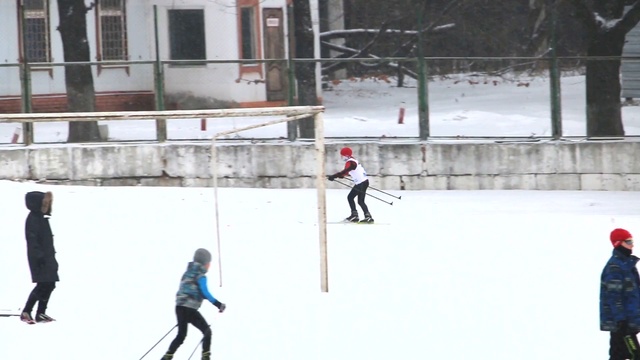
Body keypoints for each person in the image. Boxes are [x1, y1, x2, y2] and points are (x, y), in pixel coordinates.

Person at [161, 248, 226, 360]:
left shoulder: (187, 273)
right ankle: (205, 357)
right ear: (205, 264)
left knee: (181, 335)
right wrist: (218, 304)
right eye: (209, 263)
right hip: (190, 309)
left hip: (179, 307)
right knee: (207, 332)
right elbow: (205, 292)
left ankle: (167, 356)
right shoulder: (200, 276)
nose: (209, 266)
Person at [600, 228, 640, 360]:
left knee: (620, 355)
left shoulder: (627, 265)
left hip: (628, 322)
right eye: (628, 241)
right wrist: (621, 321)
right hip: (622, 325)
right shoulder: (615, 267)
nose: (632, 245)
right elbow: (614, 297)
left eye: (632, 241)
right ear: (618, 243)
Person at [20, 191, 58, 324]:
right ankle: (26, 311)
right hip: (40, 260)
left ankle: (41, 313)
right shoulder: (33, 219)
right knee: (43, 285)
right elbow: (32, 241)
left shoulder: (41, 218)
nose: (48, 206)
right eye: (45, 203)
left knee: (50, 284)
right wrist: (40, 257)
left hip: (47, 258)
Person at [327, 147, 374, 223]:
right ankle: (360, 216)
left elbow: (346, 170)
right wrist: (341, 175)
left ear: (346, 155)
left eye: (342, 155)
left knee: (356, 199)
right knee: (355, 199)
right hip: (363, 182)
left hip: (361, 183)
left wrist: (334, 176)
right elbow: (348, 171)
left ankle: (362, 216)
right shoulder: (353, 160)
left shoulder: (350, 162)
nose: (342, 157)